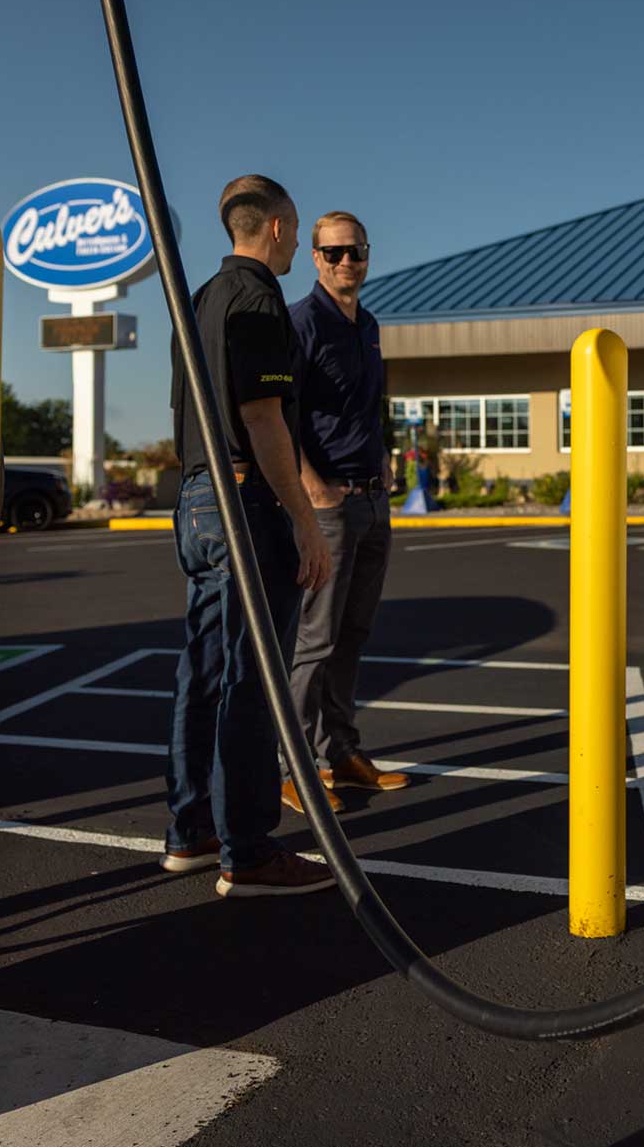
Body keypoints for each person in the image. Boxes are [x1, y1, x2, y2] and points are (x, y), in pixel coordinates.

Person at [161, 174, 338, 898]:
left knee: (204, 670)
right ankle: (249, 849)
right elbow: (263, 416)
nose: (295, 244)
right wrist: (306, 520)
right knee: (252, 676)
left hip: (196, 497)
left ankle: (191, 830)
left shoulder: (201, 297)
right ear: (276, 226)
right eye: (295, 230)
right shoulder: (259, 298)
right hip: (244, 501)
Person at [282, 210, 409, 802]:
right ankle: (295, 769)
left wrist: (383, 456)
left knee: (353, 633)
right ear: (315, 258)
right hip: (328, 504)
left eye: (354, 251)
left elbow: (369, 405)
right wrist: (313, 487)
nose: (345, 262)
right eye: (332, 253)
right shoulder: (301, 323)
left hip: (372, 500)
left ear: (367, 254)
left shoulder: (369, 325)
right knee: (316, 639)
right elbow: (280, 416)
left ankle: (341, 750)